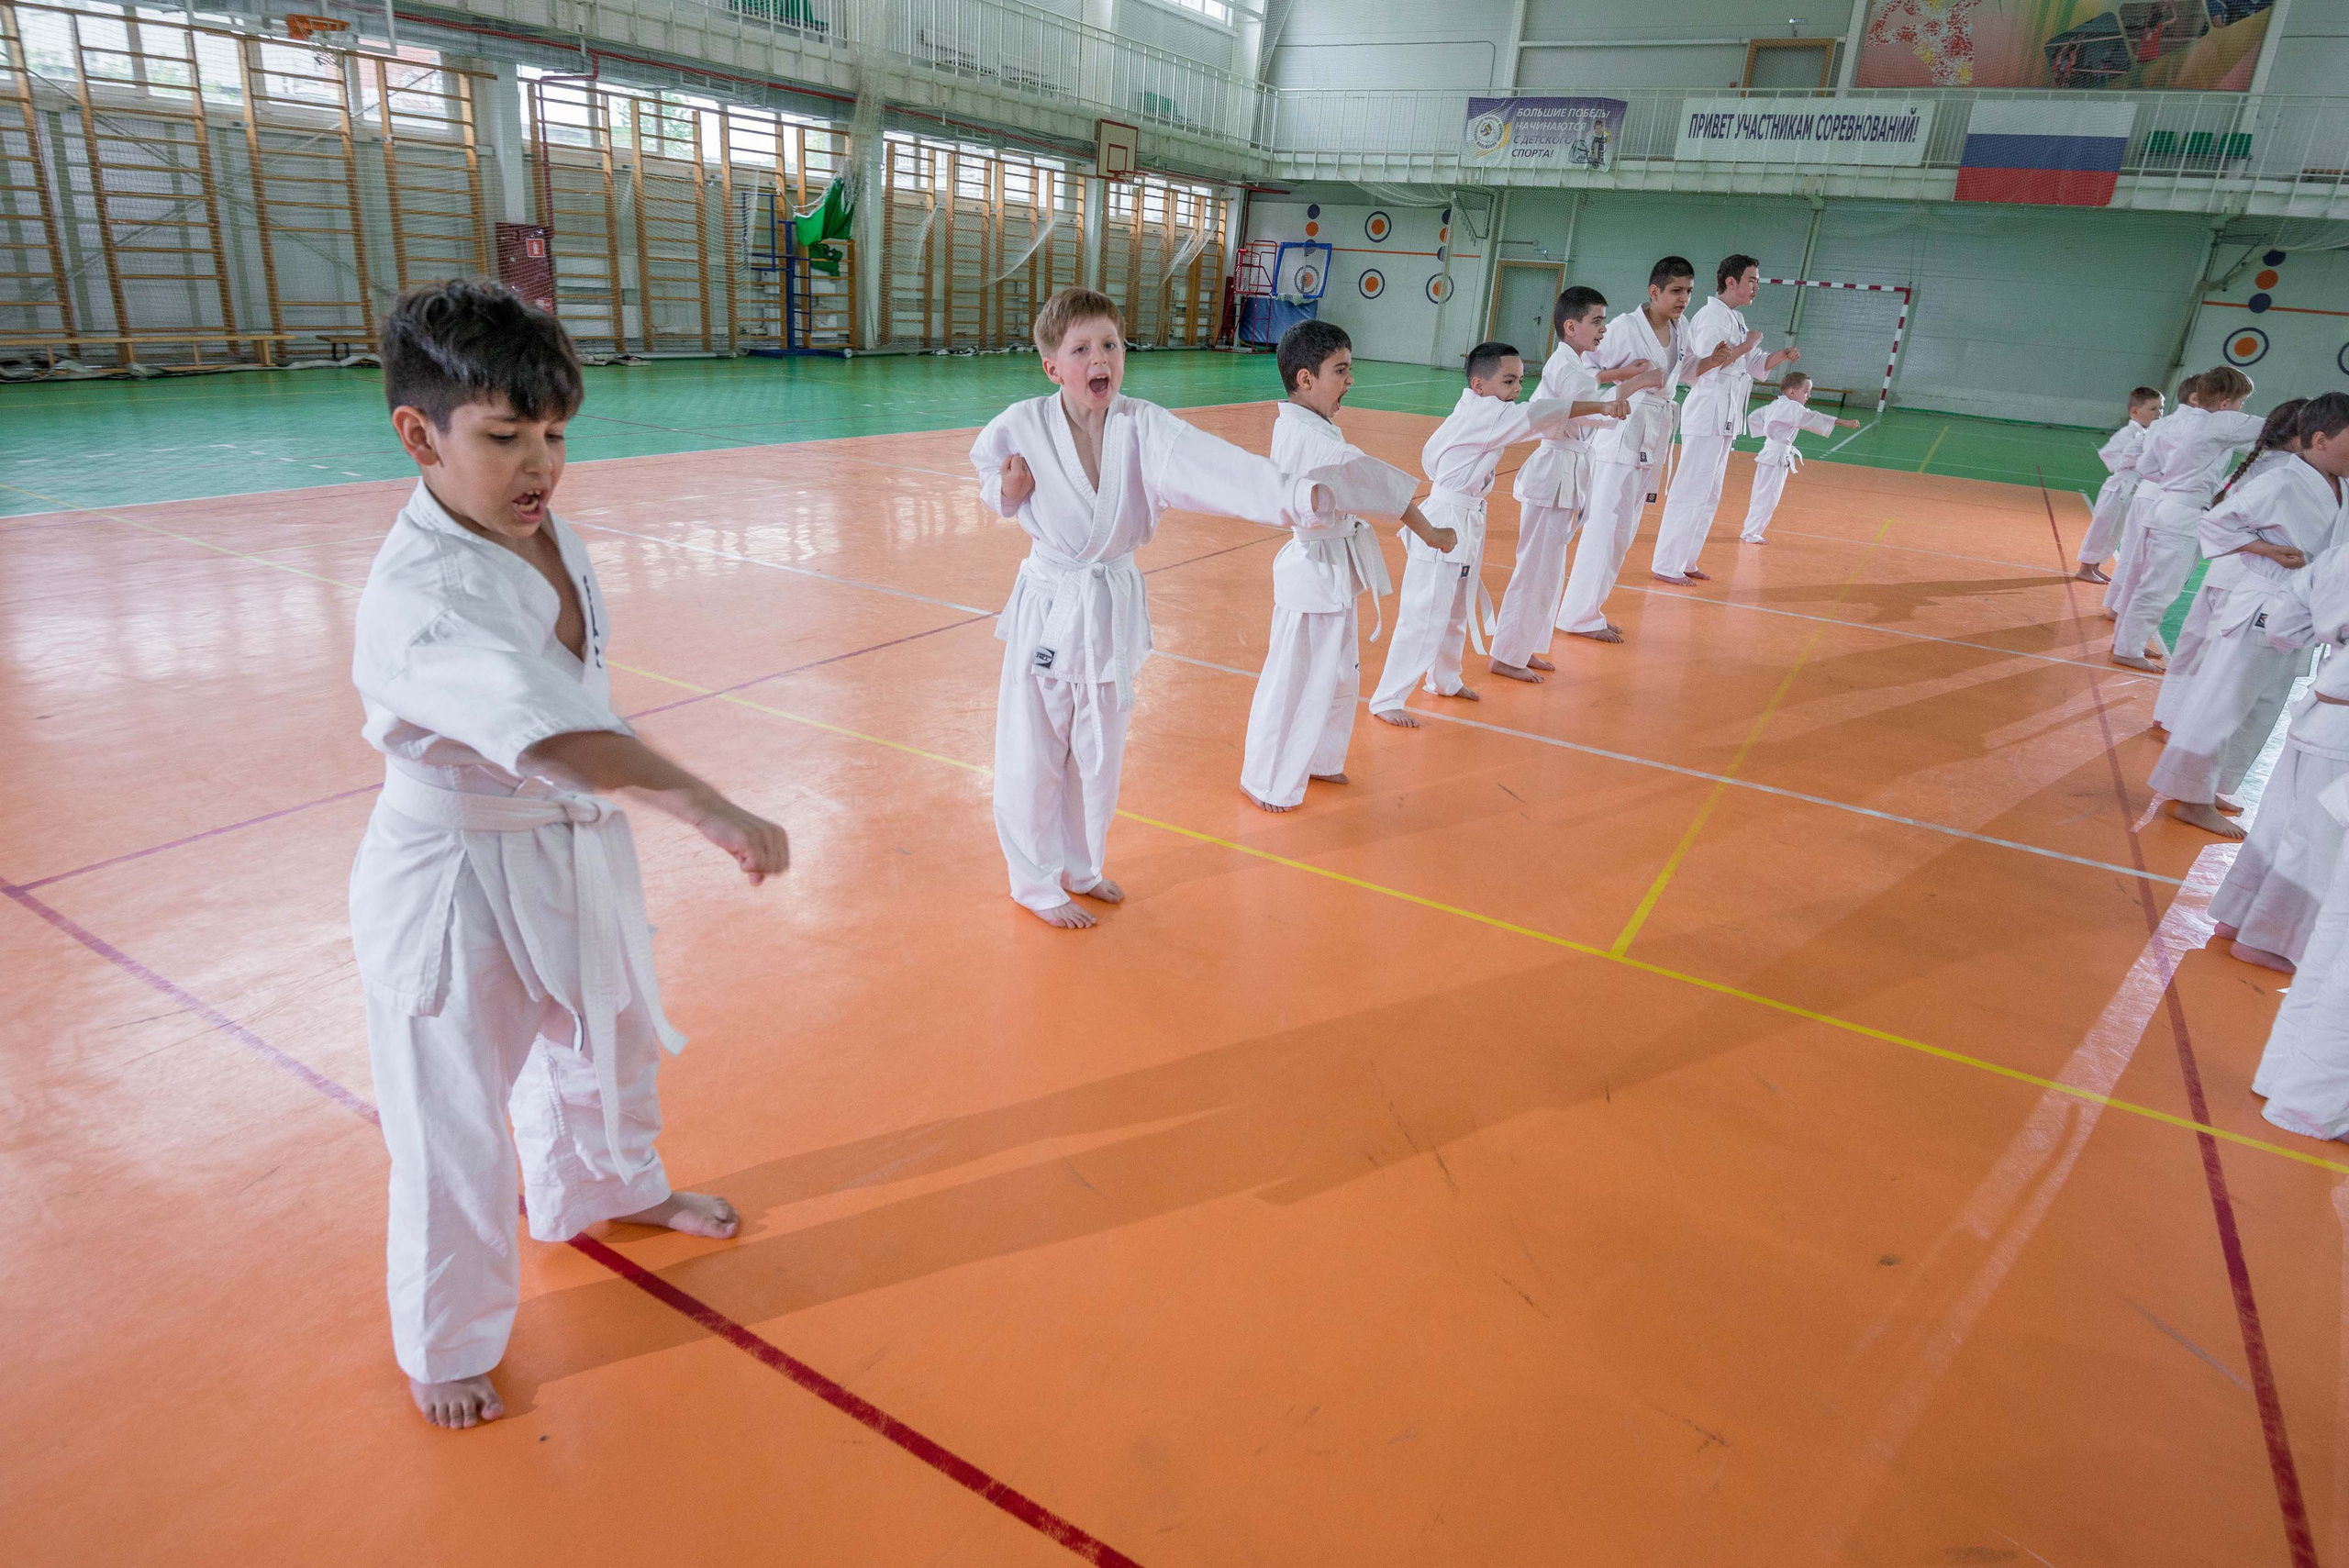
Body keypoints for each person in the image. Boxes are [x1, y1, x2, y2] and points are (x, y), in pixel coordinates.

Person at [351, 280, 791, 1430]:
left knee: (608, 1034)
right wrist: (707, 806)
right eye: (504, 437)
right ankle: (445, 1339)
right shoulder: (423, 595)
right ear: (419, 434)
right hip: (454, 872)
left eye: (554, 435)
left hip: (565, 842)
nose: (540, 464)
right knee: (450, 1114)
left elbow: (572, 708)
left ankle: (601, 1193)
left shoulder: (539, 531)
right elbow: (550, 725)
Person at [974, 287, 1367, 926]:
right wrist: (1006, 491)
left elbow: (1220, 469)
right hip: (1049, 604)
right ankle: (1035, 882)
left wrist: (1296, 495)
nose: (1099, 358)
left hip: (1107, 608)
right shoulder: (1021, 423)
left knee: (1100, 749)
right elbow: (990, 477)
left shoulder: (1143, 427)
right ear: (1052, 366)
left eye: (1110, 344)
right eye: (1081, 349)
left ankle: (1082, 866)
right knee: (1034, 749)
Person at [1241, 320, 1448, 810]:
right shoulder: (1307, 437)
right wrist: (1431, 532)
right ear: (1305, 378)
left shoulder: (1314, 425)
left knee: (1337, 675)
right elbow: (1370, 481)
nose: (1350, 380)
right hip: (1312, 568)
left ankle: (1319, 760)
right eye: (1341, 370)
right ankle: (1266, 779)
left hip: (1334, 562)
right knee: (1295, 679)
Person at [1367, 340, 1624, 722]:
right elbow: (1540, 413)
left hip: (1466, 515)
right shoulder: (1486, 414)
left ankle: (1445, 679)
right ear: (1479, 384)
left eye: (1520, 380)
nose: (1517, 390)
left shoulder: (1479, 407)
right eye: (1508, 381)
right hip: (1447, 518)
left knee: (1456, 607)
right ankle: (1387, 699)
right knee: (1424, 613)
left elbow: (1533, 412)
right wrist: (1601, 405)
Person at [2149, 395, 2349, 838]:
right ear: (2320, 440)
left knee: (2262, 707)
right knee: (2224, 701)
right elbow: (2217, 523)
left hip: (2302, 612)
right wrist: (2265, 548)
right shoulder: (2283, 480)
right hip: (2264, 602)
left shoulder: (2341, 485)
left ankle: (2213, 786)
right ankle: (2190, 796)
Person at [1488, 285, 1662, 683]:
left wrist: (1624, 379)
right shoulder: (1566, 367)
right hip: (1554, 470)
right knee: (1535, 569)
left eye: (1603, 320)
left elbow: (1595, 396)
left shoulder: (1575, 364)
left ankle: (1523, 646)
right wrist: (1635, 385)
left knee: (1549, 570)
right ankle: (1506, 655)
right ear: (1571, 326)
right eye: (1596, 321)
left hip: (1569, 469)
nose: (1603, 329)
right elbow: (1593, 412)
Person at [2213, 541, 2349, 971]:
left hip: (2320, 708)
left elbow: (2285, 624)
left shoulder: (2339, 555)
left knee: (2279, 823)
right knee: (2323, 839)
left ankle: (2239, 917)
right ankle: (2271, 941)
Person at [1554, 257, 1704, 645]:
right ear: (1653, 291)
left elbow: (1677, 374)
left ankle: (1590, 610)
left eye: (1688, 291)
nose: (1684, 298)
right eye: (1676, 290)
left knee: (1623, 531)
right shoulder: (1620, 329)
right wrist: (1628, 381)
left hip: (1651, 434)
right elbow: (1585, 379)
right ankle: (1577, 614)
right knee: (1603, 527)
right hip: (1617, 433)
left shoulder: (1681, 327)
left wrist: (1712, 362)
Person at [2150, 398, 2308, 736]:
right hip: (2246, 577)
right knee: (2212, 657)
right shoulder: (2286, 475)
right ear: (2300, 439)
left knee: (2193, 647)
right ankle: (2183, 727)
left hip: (2224, 572)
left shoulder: (2258, 464)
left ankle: (2168, 715)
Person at [1649, 253, 1798, 582]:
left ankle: (1687, 560)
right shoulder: (1710, 317)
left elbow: (1755, 365)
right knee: (1690, 489)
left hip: (1727, 418)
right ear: (1731, 282)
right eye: (1752, 280)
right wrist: (1747, 344)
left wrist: (1779, 356)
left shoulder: (1736, 318)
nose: (1756, 286)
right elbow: (1707, 362)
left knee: (1710, 493)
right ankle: (1666, 564)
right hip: (1707, 414)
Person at [2108, 366, 2264, 671]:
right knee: (2161, 587)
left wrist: (2176, 480)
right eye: (2240, 402)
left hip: (2163, 506)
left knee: (2145, 581)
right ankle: (2128, 648)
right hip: (2184, 515)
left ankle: (2127, 640)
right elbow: (2276, 427)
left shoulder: (2166, 424)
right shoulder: (2221, 424)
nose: (2240, 409)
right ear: (2224, 402)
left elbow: (2146, 467)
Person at [2104, 373, 2202, 618]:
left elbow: (2139, 456)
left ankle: (2117, 607)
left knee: (2132, 555)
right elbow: (2139, 457)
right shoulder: (2196, 427)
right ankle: (2125, 615)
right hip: (2163, 498)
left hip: (2148, 494)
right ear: (2196, 399)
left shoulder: (2165, 423)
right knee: (2149, 564)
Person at [1737, 371, 1860, 544]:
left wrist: (1769, 432)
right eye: (1806, 391)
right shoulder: (1792, 407)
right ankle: (1751, 534)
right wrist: (1842, 422)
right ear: (1792, 392)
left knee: (1762, 495)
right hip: (1776, 456)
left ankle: (1749, 531)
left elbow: (1754, 417)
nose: (1809, 395)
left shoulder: (1777, 404)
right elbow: (1811, 417)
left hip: (1770, 453)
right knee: (1768, 497)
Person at [2073, 385, 2165, 584]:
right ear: (2134, 411)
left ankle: (2096, 566)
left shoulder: (2148, 434)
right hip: (2117, 488)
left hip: (2131, 491)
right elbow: (2107, 454)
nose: (2159, 413)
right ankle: (2085, 568)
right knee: (2102, 528)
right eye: (2153, 409)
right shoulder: (2128, 433)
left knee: (2116, 531)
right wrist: (2128, 464)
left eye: (2161, 408)